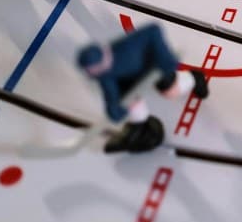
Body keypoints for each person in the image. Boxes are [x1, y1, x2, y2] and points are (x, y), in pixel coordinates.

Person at [77, 24, 209, 153]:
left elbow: (153, 30)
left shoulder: (125, 47)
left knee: (170, 91)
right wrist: (114, 110)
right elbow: (110, 92)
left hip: (153, 66)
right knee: (130, 101)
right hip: (131, 80)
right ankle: (141, 127)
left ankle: (194, 78)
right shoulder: (104, 75)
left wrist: (164, 58)